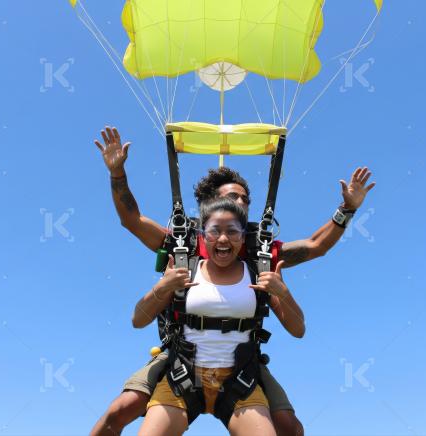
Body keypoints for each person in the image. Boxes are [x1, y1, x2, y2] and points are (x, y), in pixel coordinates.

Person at [91, 127, 375, 436]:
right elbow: (131, 220)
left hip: (239, 370)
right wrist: (117, 174)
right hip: (182, 362)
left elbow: (315, 246)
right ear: (211, 203)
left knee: (290, 429)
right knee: (118, 411)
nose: (239, 203)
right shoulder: (182, 243)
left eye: (244, 199)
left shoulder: (260, 251)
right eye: (231, 197)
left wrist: (346, 209)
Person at [133, 198, 305, 435]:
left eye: (232, 232)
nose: (223, 239)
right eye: (215, 231)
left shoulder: (259, 275)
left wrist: (283, 293)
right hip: (184, 378)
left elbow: (298, 330)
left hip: (238, 381)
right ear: (203, 237)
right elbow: (138, 320)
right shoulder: (184, 270)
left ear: (243, 238)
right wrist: (163, 287)